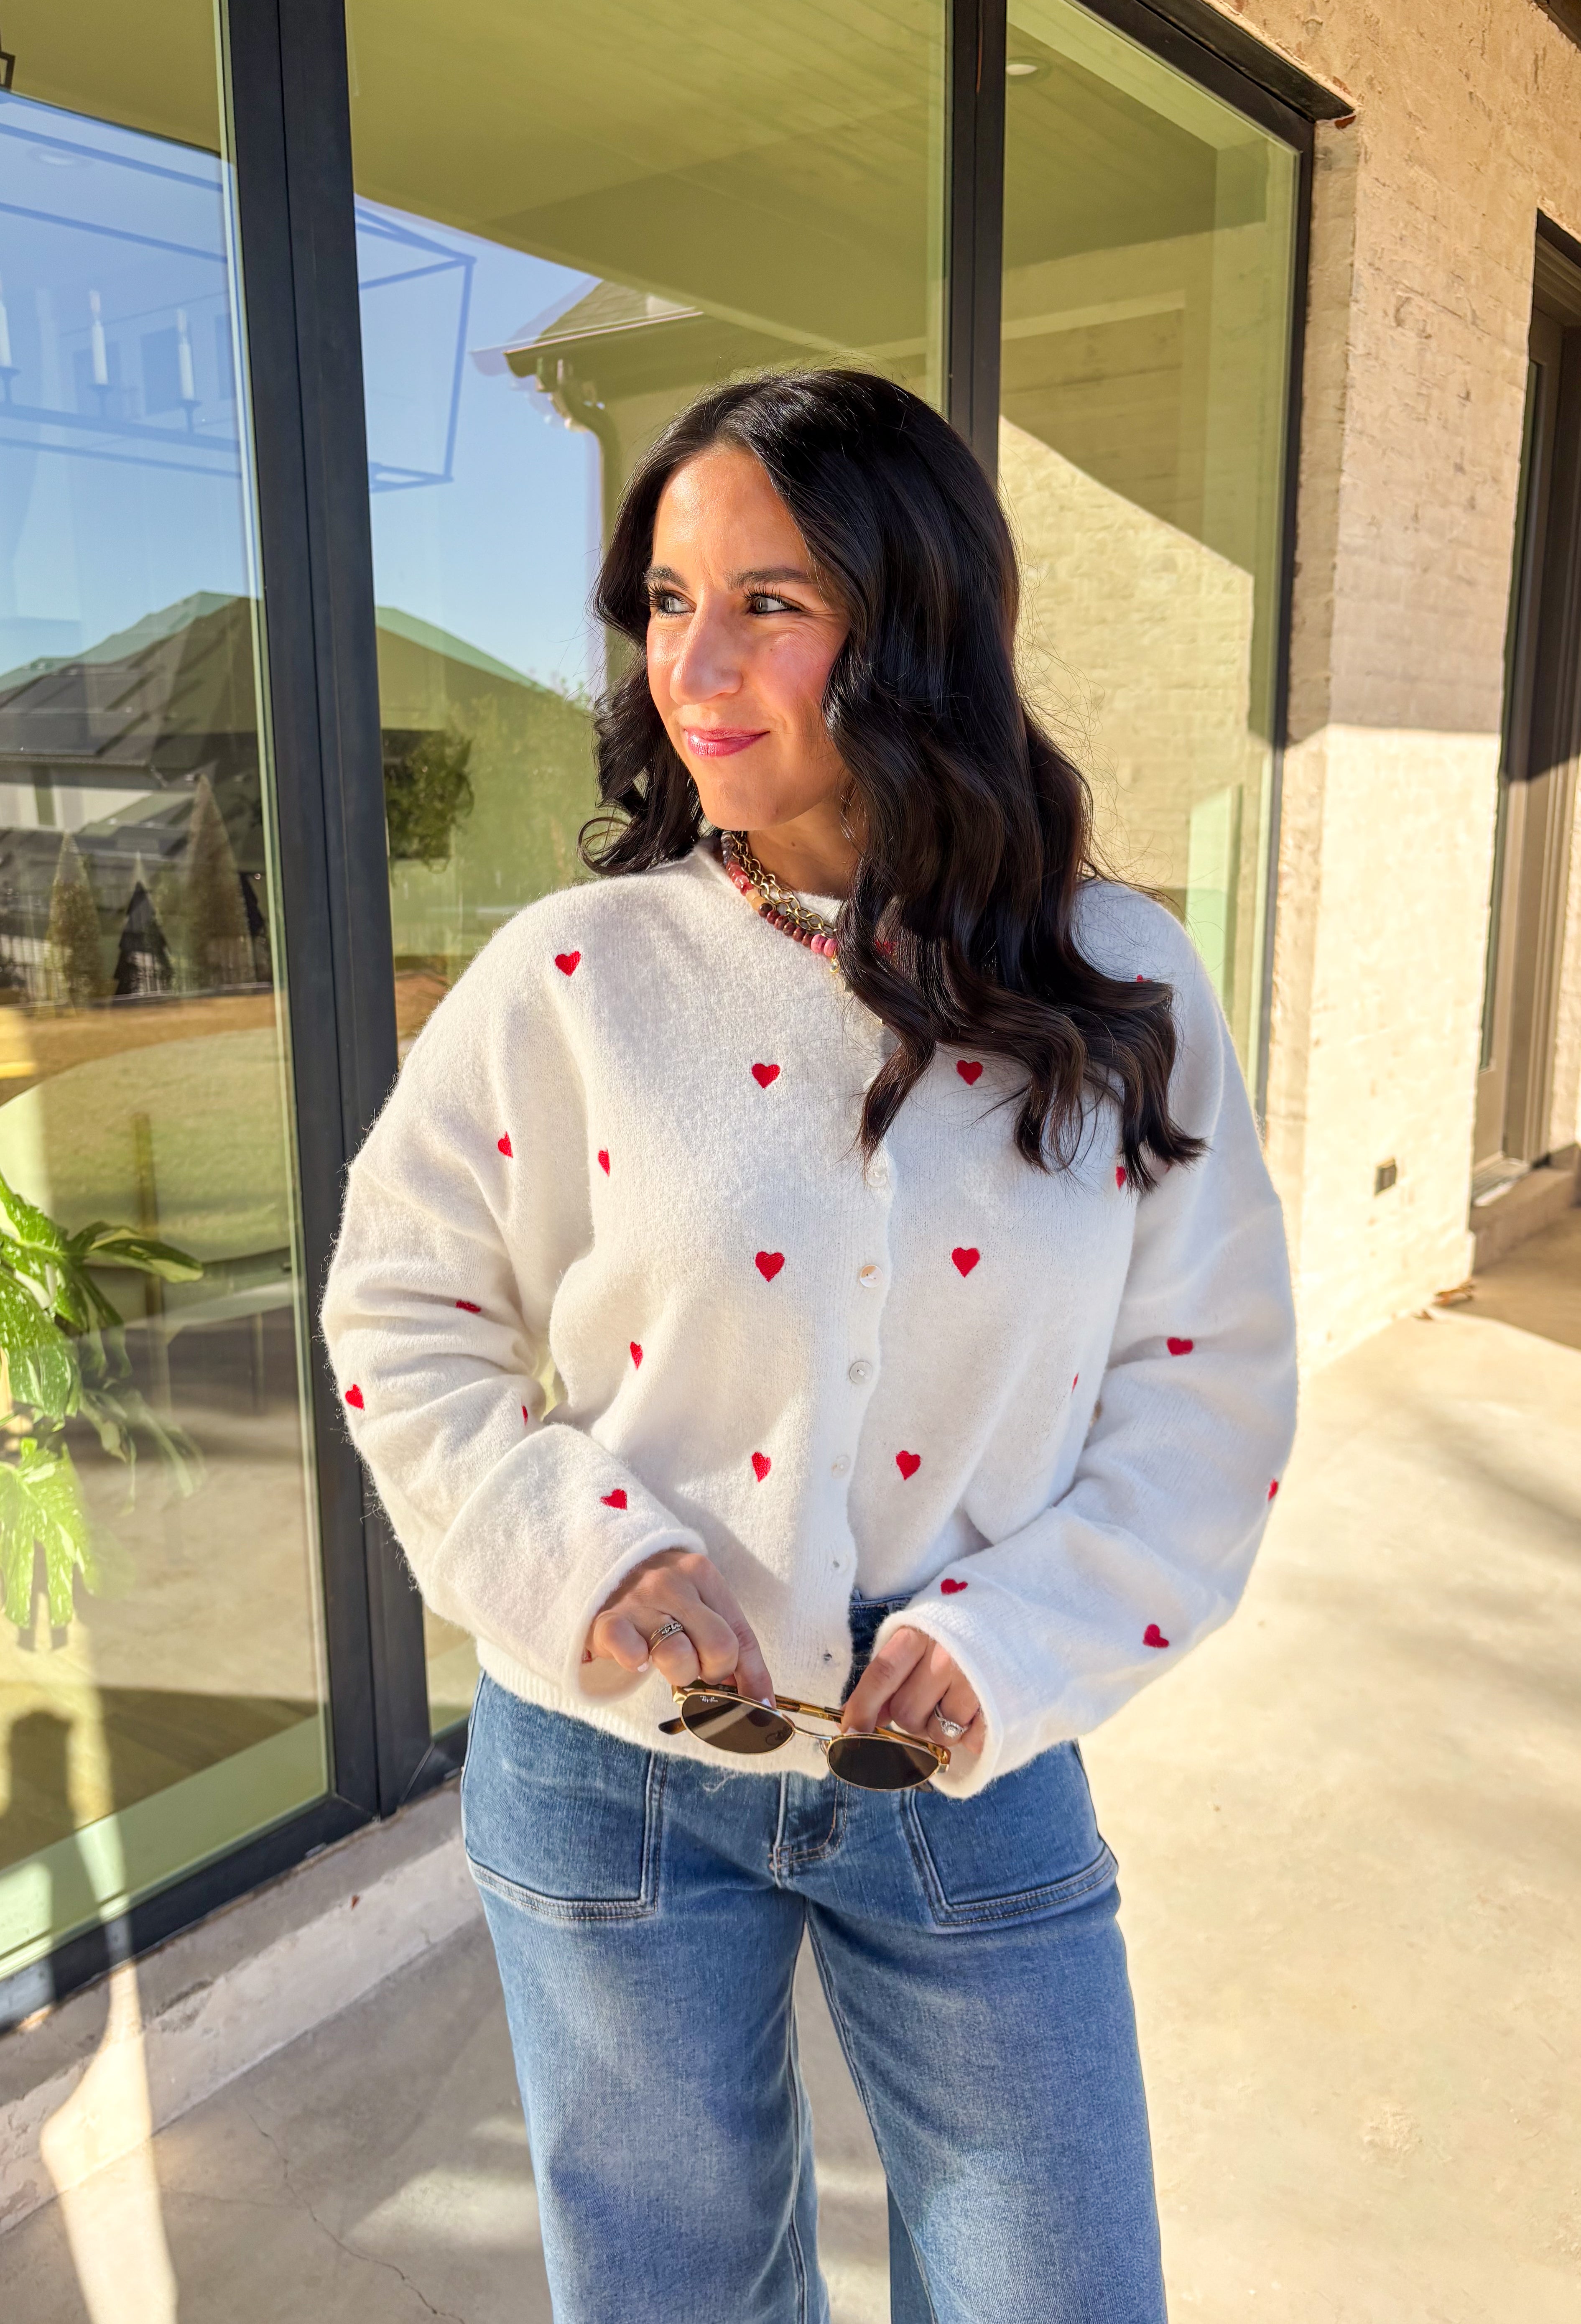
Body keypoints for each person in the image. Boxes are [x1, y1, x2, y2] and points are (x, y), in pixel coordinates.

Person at [321, 368, 1298, 2324]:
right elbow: (399, 1310)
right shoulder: (576, 976)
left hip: (968, 1769)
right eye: (669, 601)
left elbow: (1208, 1382)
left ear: (916, 619)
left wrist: (1022, 1636)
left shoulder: (1122, 984)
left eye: (769, 600)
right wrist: (579, 1550)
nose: (697, 661)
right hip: (608, 1770)